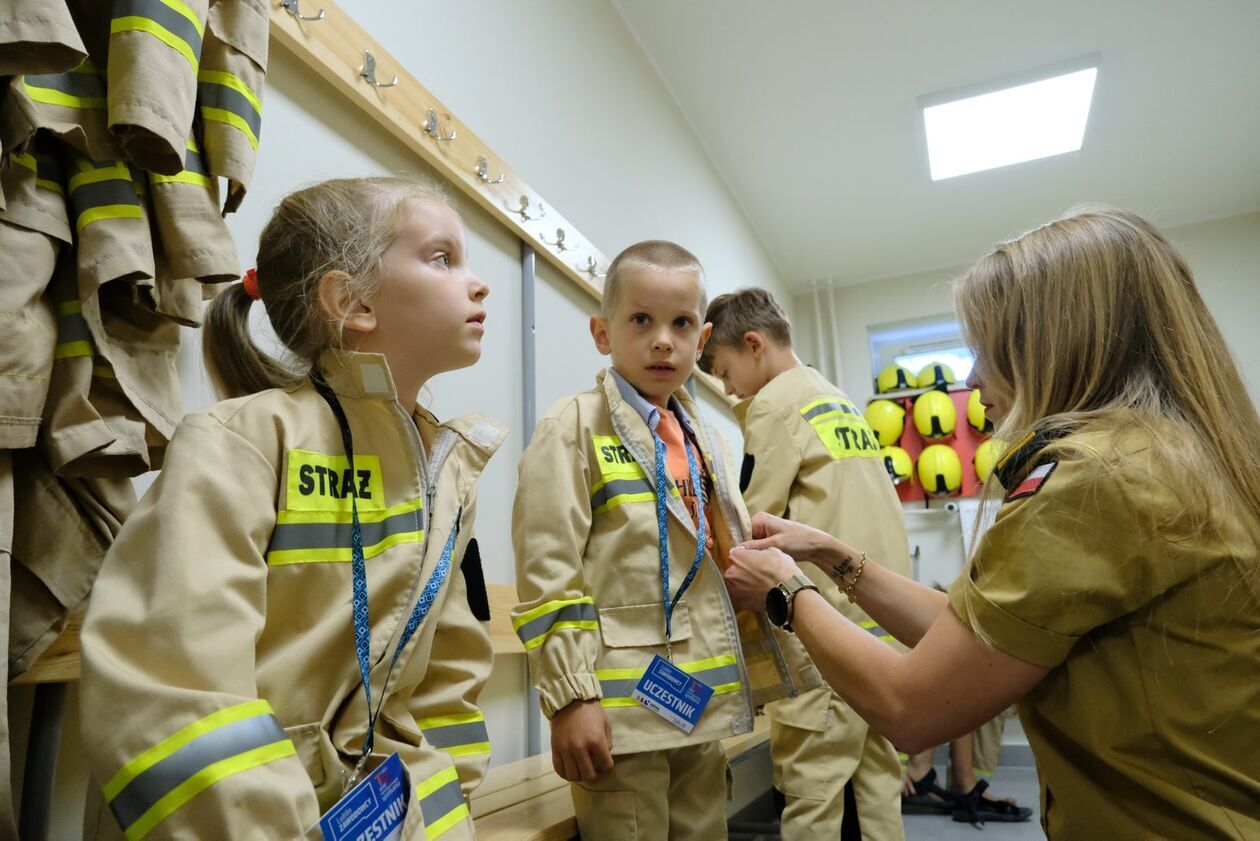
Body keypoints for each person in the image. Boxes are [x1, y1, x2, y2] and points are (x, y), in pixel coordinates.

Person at [721, 206, 1260, 839]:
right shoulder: (1166, 454)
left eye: (985, 351)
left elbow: (912, 707)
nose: (974, 380)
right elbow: (979, 630)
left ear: (1056, 344)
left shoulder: (1092, 482)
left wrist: (786, 591)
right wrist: (834, 556)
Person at [80, 177, 506, 840]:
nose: (478, 284)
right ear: (351, 301)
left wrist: (450, 817)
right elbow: (174, 687)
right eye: (443, 257)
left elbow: (448, 680)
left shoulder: (448, 472)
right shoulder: (239, 442)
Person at [511, 241, 820, 841]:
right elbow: (548, 575)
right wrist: (571, 699)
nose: (663, 340)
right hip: (619, 723)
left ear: (702, 342)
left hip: (697, 706)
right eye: (641, 320)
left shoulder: (706, 438)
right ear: (602, 333)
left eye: (681, 324)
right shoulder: (570, 429)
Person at [699, 287, 908, 841]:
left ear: (753, 344)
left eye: (724, 371)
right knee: (880, 790)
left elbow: (751, 528)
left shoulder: (771, 405)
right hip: (883, 632)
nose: (727, 389)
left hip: (824, 638)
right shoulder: (837, 400)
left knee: (811, 793)